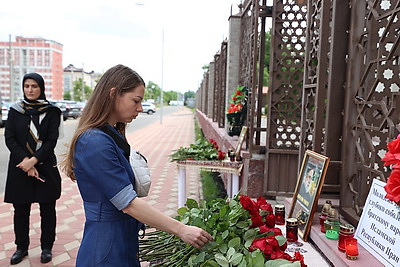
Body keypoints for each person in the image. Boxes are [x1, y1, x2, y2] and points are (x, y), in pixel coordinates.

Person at [61, 64, 212, 266]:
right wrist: (181, 229)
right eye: (136, 100)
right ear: (113, 94)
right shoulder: (95, 142)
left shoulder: (107, 136)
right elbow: (128, 203)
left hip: (119, 240)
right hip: (106, 248)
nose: (140, 108)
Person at [4, 73, 62, 265]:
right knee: (20, 211)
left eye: (34, 86)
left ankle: (46, 247)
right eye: (27, 86)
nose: (30, 90)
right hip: (20, 167)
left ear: (41, 88)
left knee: (48, 209)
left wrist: (34, 161)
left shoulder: (52, 111)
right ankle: (21, 248)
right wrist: (26, 162)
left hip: (45, 165)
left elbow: (51, 141)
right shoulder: (15, 110)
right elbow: (10, 138)